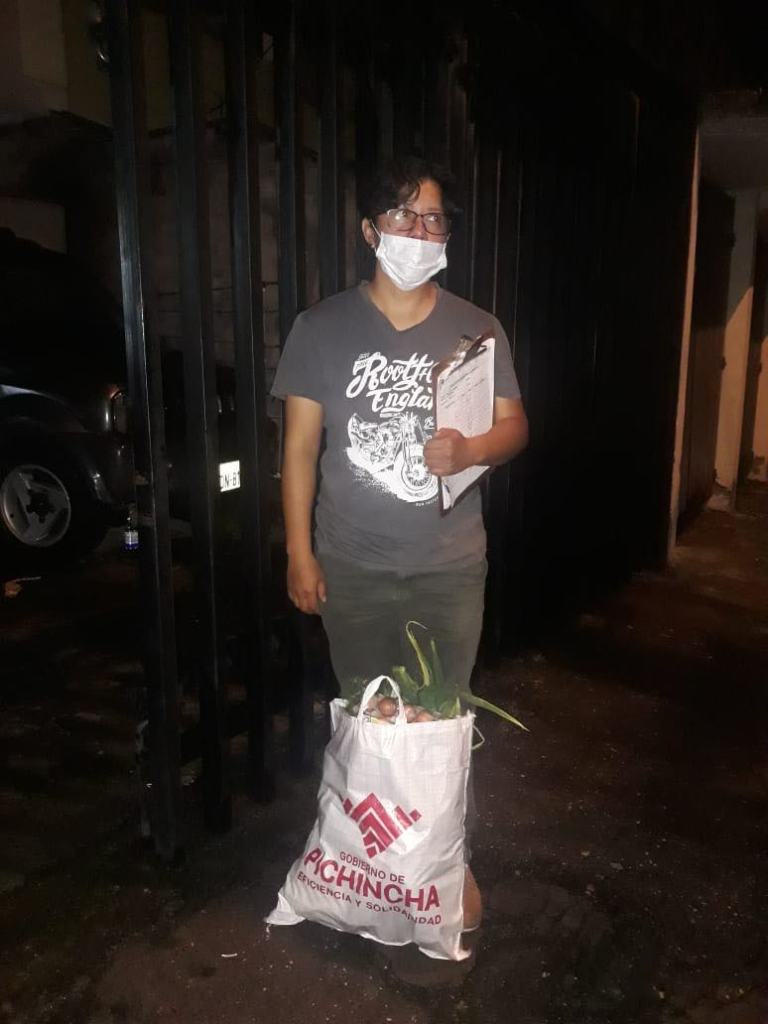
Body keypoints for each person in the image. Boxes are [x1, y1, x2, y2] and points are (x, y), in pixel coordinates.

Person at [271, 155, 528, 940]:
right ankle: (375, 864)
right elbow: (299, 451)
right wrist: (299, 554)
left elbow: (516, 427)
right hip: (353, 567)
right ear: (368, 231)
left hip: (449, 568)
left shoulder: (477, 329)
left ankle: (445, 863)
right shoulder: (321, 329)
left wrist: (474, 448)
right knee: (370, 719)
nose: (419, 231)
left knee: (442, 721)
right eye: (402, 216)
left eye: (433, 218)